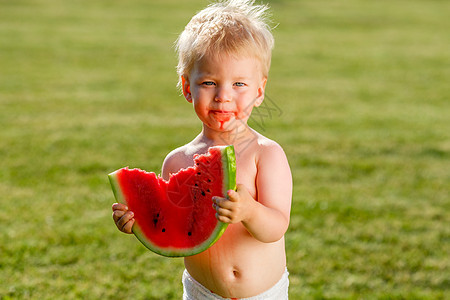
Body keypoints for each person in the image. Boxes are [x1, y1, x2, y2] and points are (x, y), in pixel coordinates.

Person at [112, 0, 292, 298]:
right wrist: (139, 221)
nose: (223, 96)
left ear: (259, 92)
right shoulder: (177, 161)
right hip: (200, 292)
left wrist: (250, 211)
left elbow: (276, 227)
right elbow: (173, 229)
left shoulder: (267, 154)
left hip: (263, 294)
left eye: (238, 84)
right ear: (186, 87)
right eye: (209, 82)